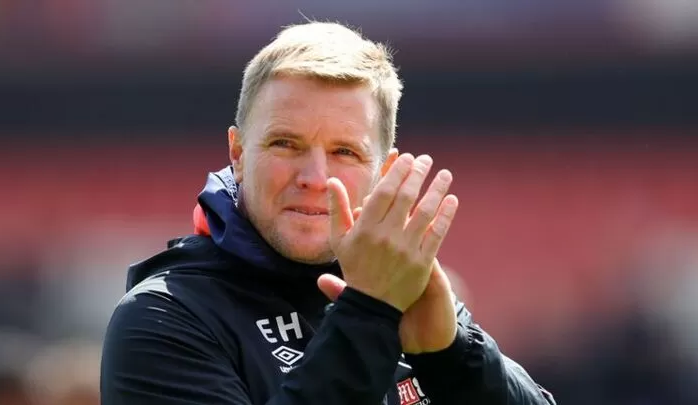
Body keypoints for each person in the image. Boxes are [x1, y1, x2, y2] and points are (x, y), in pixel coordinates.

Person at [100, 21, 556, 405]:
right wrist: (369, 316)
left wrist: (454, 352)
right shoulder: (164, 319)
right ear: (238, 154)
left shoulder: (401, 293)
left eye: (344, 152)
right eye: (285, 144)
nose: (315, 177)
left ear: (383, 173)